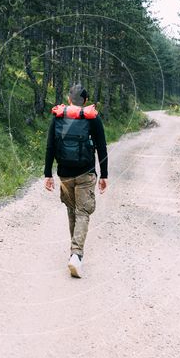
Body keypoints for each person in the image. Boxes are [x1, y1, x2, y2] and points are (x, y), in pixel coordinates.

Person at [44, 83, 108, 278]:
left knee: (72, 211)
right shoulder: (93, 118)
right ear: (86, 101)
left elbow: (50, 147)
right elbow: (102, 148)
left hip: (64, 174)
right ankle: (76, 255)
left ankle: (74, 252)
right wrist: (104, 175)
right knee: (83, 213)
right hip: (86, 173)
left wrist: (48, 174)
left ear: (69, 100)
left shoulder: (58, 117)